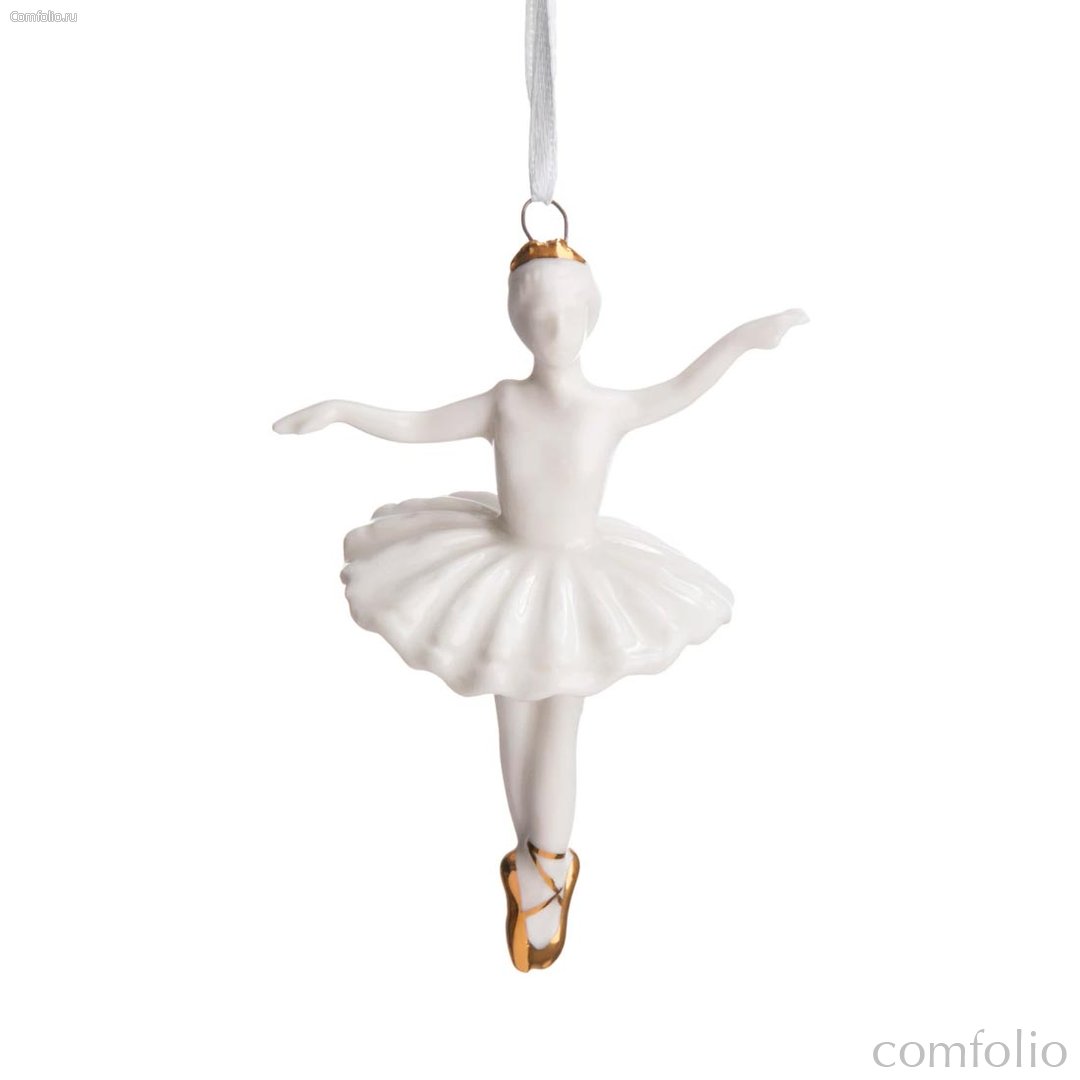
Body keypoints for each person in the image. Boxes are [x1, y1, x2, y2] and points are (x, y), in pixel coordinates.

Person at [273, 235, 807, 970]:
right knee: (514, 711)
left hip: (580, 577)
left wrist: (746, 338)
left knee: (561, 715)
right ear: (516, 320)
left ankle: (549, 864)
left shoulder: (611, 407)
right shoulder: (506, 402)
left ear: (593, 313)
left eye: (567, 311)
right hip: (505, 567)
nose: (554, 328)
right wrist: (340, 409)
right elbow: (417, 425)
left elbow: (685, 387)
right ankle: (531, 859)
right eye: (537, 313)